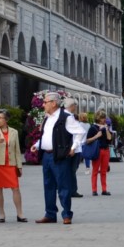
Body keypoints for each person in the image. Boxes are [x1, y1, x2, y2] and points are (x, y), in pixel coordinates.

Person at [36, 92, 86, 224]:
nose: (43, 105)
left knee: (63, 185)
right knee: (48, 185)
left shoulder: (66, 117)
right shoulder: (47, 117)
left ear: (53, 103)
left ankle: (66, 214)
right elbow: (46, 135)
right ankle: (50, 213)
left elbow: (80, 131)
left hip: (59, 155)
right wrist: (37, 145)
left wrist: (73, 147)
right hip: (46, 155)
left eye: (45, 102)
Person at [0, 109, 26, 221]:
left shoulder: (14, 132)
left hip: (11, 164)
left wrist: (19, 166)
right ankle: (1, 214)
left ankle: (20, 213)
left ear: (6, 119)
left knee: (16, 188)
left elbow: (17, 150)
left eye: (1, 118)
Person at [85, 111, 113, 196]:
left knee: (104, 171)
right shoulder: (93, 128)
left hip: (106, 150)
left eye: (104, 118)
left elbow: (109, 139)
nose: (104, 120)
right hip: (97, 151)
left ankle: (104, 189)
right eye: (102, 118)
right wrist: (96, 136)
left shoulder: (105, 127)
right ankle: (94, 190)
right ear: (98, 118)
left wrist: (107, 129)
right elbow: (87, 141)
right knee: (95, 171)